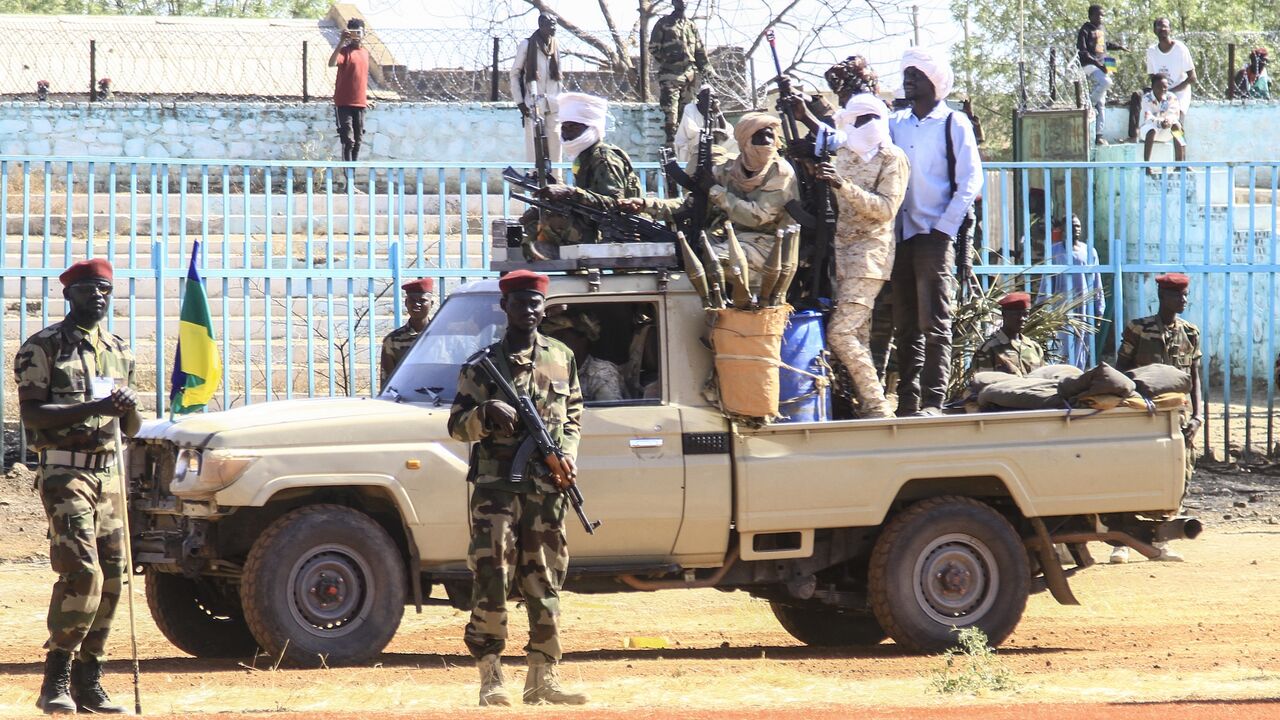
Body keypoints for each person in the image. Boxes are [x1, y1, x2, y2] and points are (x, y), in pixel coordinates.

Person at [447, 269, 588, 706]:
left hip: (547, 490)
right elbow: (456, 427)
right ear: (504, 306)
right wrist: (485, 412)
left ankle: (542, 678)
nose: (529, 310)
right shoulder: (481, 365)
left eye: (535, 303)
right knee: (493, 577)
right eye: (520, 302)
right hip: (496, 492)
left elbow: (574, 415)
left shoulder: (561, 357)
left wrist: (565, 455)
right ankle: (491, 677)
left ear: (543, 308)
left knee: (545, 579)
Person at [15, 259, 139, 715]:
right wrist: (96, 404)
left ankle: (91, 679)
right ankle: (57, 677)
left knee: (113, 578)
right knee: (82, 571)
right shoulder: (44, 347)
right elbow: (33, 415)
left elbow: (131, 426)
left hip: (108, 473)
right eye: (88, 289)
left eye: (104, 289)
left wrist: (126, 407)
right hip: (65, 473)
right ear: (69, 295)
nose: (98, 297)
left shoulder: (119, 350)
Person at [888, 47, 983, 416]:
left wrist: (945, 229)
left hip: (934, 233)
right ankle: (907, 403)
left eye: (916, 74)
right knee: (906, 324)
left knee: (935, 322)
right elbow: (860, 141)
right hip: (901, 235)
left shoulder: (953, 123)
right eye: (906, 73)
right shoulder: (897, 123)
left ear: (935, 82)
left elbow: (971, 179)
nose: (908, 79)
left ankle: (933, 401)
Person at [812, 93, 909, 419]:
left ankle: (878, 406)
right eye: (859, 120)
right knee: (856, 336)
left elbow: (885, 209)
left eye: (871, 119)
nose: (865, 126)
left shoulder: (891, 158)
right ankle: (866, 405)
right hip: (841, 257)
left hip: (870, 257)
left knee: (839, 333)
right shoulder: (842, 154)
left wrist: (842, 185)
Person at [629, 113, 800, 284]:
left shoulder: (780, 171)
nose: (767, 142)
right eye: (760, 136)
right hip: (735, 238)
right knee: (685, 250)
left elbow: (757, 216)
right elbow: (691, 205)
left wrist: (715, 191)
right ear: (745, 140)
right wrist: (646, 204)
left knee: (712, 260)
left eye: (770, 136)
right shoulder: (730, 170)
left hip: (771, 246)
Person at [1114, 272, 1201, 563]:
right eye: (1178, 295)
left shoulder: (1190, 333)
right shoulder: (1139, 329)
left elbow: (1194, 377)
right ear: (1163, 297)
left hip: (1177, 418)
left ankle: (1161, 541)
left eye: (1185, 295)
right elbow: (1121, 370)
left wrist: (1198, 417)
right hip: (1143, 416)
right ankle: (1121, 541)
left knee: (1176, 479)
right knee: (1131, 475)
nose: (1184, 300)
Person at [528, 92, 641, 257]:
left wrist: (571, 193)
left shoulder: (603, 158)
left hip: (614, 228)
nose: (566, 134)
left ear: (590, 127)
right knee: (534, 214)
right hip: (594, 220)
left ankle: (556, 259)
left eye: (573, 127)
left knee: (551, 220)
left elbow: (616, 203)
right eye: (564, 127)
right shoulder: (584, 156)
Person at [1038, 215, 1105, 369]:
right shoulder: (1055, 250)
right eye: (1072, 225)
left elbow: (1096, 280)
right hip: (1062, 306)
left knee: (1082, 344)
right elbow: (1047, 280)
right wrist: (1042, 305)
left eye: (1078, 225)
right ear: (1063, 228)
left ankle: (1077, 375)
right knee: (1063, 344)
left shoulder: (1089, 251)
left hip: (1084, 306)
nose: (1076, 229)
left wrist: (1099, 309)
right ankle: (1062, 377)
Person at [649, 0, 714, 146]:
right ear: (673, 2)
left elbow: (699, 52)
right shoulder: (664, 23)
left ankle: (684, 148)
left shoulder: (691, 26)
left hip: (689, 76)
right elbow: (653, 48)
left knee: (687, 114)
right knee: (671, 115)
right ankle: (671, 147)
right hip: (670, 75)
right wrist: (669, 61)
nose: (683, 2)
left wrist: (708, 70)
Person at [510, 12, 563, 166]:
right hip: (533, 105)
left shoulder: (555, 44)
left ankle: (556, 186)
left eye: (555, 25)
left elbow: (558, 77)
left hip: (553, 106)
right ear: (541, 26)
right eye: (550, 25)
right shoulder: (527, 45)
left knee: (556, 153)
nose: (553, 28)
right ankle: (535, 186)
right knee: (534, 153)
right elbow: (515, 74)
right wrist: (520, 102)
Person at [545, 311, 628, 402]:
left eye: (562, 338)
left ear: (583, 339)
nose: (555, 345)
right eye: (553, 340)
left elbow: (609, 413)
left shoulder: (601, 374)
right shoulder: (552, 370)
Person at [1077, 5, 1128, 146]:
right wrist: (1099, 64)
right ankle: (1089, 105)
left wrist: (1118, 47)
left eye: (1103, 15)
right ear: (1091, 16)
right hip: (1090, 65)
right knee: (1106, 83)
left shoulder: (1101, 28)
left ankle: (1099, 135)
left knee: (1102, 103)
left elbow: (1103, 45)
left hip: (1104, 63)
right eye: (1098, 15)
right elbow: (1083, 51)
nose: (1101, 18)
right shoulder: (1085, 30)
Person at [380, 277, 436, 391]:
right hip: (406, 399)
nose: (416, 304)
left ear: (432, 303)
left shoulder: (443, 337)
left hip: (438, 400)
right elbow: (387, 383)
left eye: (422, 300)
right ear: (406, 303)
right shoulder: (393, 341)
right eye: (412, 300)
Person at [969, 292, 1044, 376]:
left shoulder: (1034, 348)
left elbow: (1043, 381)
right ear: (1004, 314)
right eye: (1017, 314)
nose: (1022, 319)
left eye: (1025, 314)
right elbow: (983, 384)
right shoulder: (989, 349)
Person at [328, 18, 371, 162]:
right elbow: (332, 63)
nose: (356, 35)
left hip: (360, 104)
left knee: (358, 141)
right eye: (353, 32)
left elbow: (361, 78)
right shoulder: (345, 51)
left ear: (364, 33)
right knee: (348, 140)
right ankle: (348, 180)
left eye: (359, 32)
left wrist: (367, 97)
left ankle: (352, 177)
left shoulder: (365, 53)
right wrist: (341, 42)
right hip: (344, 103)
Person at [1145, 18, 1197, 122]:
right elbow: (1152, 77)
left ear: (1170, 30)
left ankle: (1178, 137)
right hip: (1160, 93)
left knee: (1176, 125)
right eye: (1159, 26)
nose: (1162, 29)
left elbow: (1192, 78)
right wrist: (1159, 92)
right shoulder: (1151, 51)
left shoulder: (1180, 49)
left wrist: (1170, 91)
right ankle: (1134, 135)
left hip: (1180, 92)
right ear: (1154, 31)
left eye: (1165, 26)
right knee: (1151, 121)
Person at [673, 85, 737, 167]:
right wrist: (714, 132)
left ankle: (726, 167)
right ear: (699, 97)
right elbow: (691, 131)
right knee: (701, 137)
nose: (710, 99)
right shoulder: (690, 108)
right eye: (706, 95)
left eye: (713, 97)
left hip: (711, 148)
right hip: (689, 148)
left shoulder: (713, 111)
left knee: (733, 141)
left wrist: (718, 112)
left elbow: (725, 131)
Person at [1140, 74, 1186, 167]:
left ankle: (1179, 164)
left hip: (1164, 130)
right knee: (1151, 130)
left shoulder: (1171, 97)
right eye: (1159, 87)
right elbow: (1148, 116)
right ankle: (1147, 165)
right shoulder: (1146, 99)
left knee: (1177, 127)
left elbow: (1173, 113)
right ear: (1152, 87)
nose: (1162, 90)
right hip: (1148, 131)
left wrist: (1168, 122)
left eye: (1165, 87)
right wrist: (1160, 123)